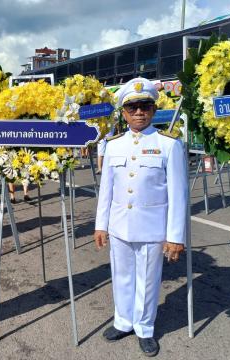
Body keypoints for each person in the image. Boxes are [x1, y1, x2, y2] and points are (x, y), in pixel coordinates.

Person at [94, 78, 188, 357]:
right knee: (121, 276)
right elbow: (106, 191)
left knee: (148, 280)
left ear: (154, 108)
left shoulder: (169, 145)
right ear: (124, 112)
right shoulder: (113, 145)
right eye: (132, 107)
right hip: (120, 225)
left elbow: (179, 195)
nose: (139, 112)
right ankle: (123, 321)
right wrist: (101, 225)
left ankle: (145, 328)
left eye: (145, 106)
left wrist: (175, 237)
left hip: (151, 227)